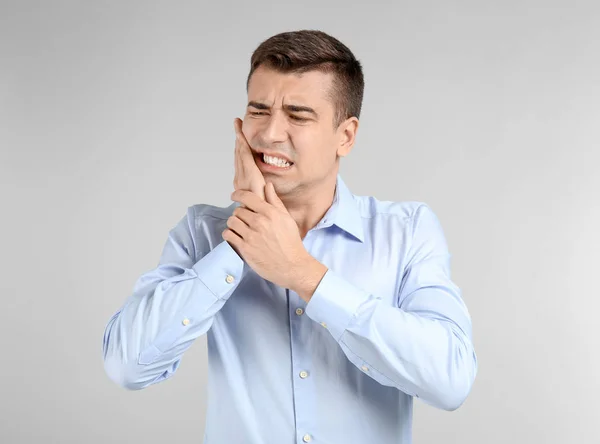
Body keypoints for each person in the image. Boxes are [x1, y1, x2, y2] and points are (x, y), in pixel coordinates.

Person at [102, 29, 477, 444]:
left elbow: (450, 380)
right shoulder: (201, 232)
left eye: (298, 115)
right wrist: (242, 239)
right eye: (259, 111)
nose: (269, 134)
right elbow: (127, 366)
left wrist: (304, 275)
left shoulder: (406, 231)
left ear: (346, 136)